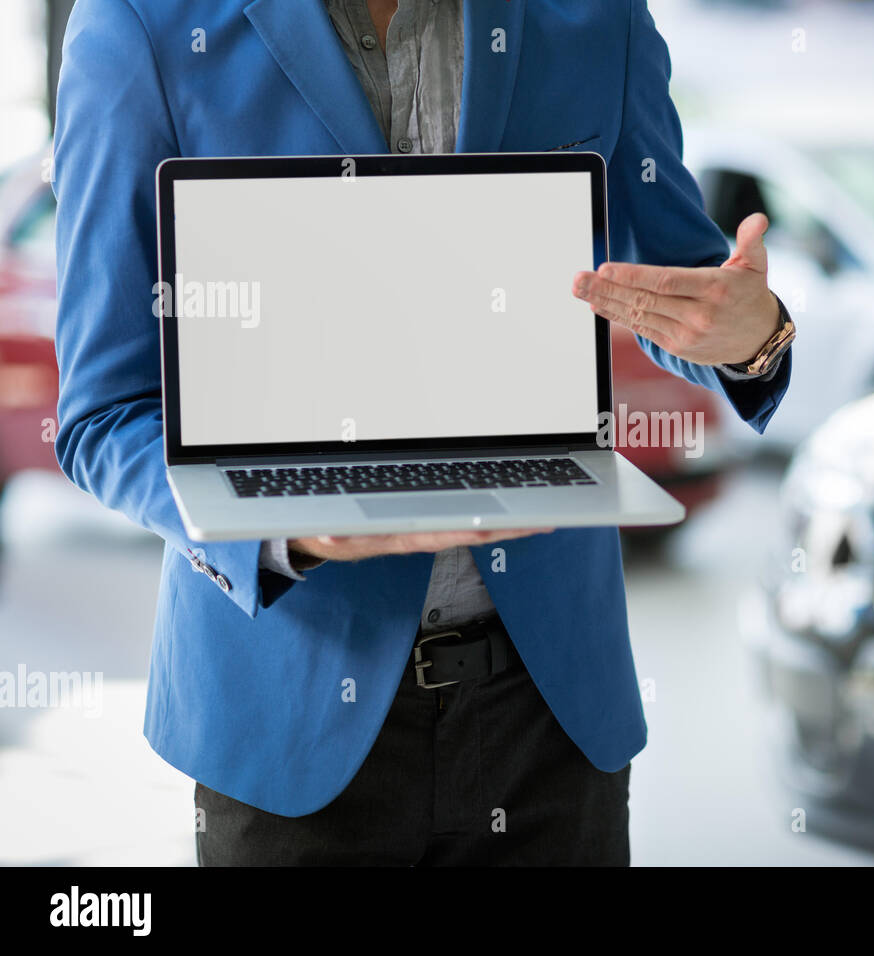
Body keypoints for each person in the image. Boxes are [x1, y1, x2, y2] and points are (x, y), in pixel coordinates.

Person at [52, 0, 793, 865]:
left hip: (549, 712)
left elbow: (684, 294)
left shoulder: (599, 19)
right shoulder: (140, 23)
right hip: (287, 720)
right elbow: (103, 413)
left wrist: (751, 341)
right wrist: (276, 527)